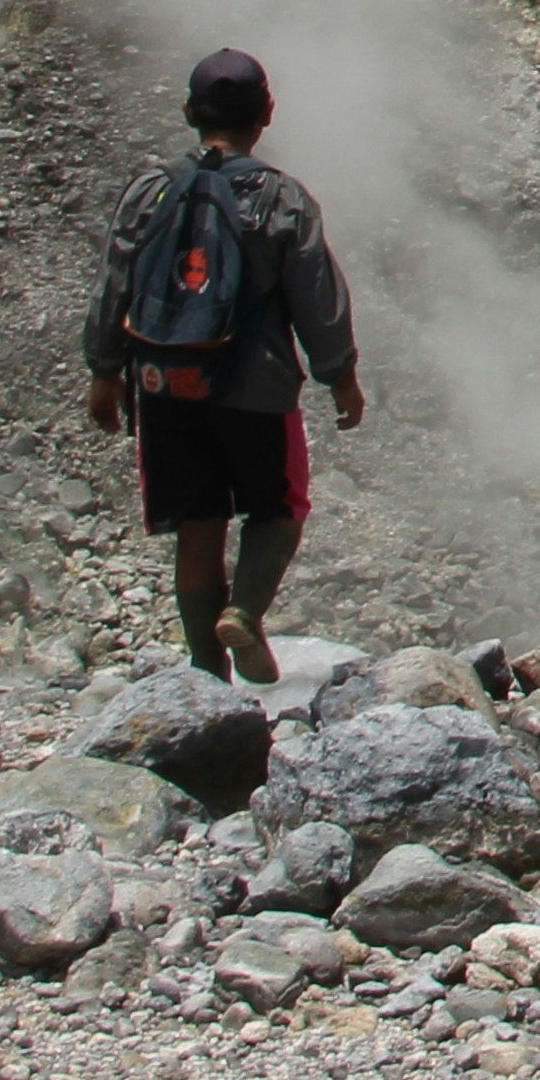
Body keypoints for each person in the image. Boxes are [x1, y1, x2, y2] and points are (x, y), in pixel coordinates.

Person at [83, 47, 363, 682]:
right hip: (256, 388)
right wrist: (339, 375)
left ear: (188, 111)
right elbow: (316, 297)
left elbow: (114, 285)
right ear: (266, 112)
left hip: (164, 387)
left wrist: (104, 374)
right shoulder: (282, 199)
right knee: (280, 507)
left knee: (197, 527)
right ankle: (243, 610)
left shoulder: (149, 192)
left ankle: (206, 677)